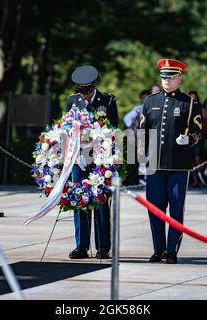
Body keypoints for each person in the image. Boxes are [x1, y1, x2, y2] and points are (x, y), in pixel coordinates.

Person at [140, 58, 202, 264]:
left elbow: (198, 132)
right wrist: (141, 157)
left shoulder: (189, 103)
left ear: (179, 78)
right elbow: (142, 132)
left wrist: (189, 140)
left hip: (178, 166)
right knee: (155, 210)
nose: (166, 80)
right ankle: (158, 250)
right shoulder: (150, 102)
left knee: (176, 210)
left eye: (170, 77)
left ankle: (171, 250)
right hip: (154, 166)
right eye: (163, 76)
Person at [65, 65, 118, 259]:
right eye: (82, 91)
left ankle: (103, 246)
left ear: (95, 85)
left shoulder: (108, 101)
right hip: (79, 159)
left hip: (99, 160)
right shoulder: (72, 101)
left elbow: (114, 129)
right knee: (80, 200)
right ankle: (82, 245)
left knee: (101, 202)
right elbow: (66, 128)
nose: (85, 95)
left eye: (88, 90)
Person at [123, 89, 150, 186]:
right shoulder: (138, 108)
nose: (145, 99)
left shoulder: (152, 107)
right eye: (143, 97)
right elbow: (126, 118)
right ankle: (142, 178)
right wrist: (133, 128)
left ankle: (145, 178)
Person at [188, 90, 203, 187]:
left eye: (195, 98)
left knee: (197, 157)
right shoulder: (185, 107)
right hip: (188, 136)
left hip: (197, 135)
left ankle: (201, 176)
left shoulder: (201, 109)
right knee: (190, 160)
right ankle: (195, 181)